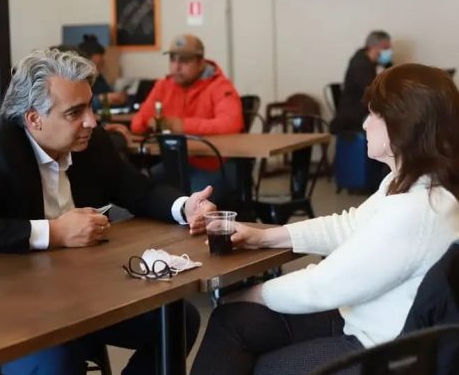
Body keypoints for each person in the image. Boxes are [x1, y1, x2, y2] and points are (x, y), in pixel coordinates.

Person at [0, 48, 216, 375]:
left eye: (90, 106)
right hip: (14, 313)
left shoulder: (92, 145)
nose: (92, 121)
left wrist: (185, 206)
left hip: (81, 300)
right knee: (60, 361)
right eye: (74, 112)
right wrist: (55, 232)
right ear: (34, 118)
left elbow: (140, 190)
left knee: (177, 321)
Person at [191, 64, 459, 375]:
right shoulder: (415, 185)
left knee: (265, 364)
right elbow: (349, 225)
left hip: (380, 348)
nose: (364, 123)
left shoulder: (415, 209)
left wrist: (255, 293)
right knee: (232, 321)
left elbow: (324, 285)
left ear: (399, 126)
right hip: (365, 318)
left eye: (373, 115)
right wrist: (263, 236)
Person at [131, 34, 244, 201]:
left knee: (190, 204)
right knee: (136, 192)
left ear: (200, 63)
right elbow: (137, 124)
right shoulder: (163, 85)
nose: (176, 67)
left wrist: (182, 126)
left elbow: (231, 124)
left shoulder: (219, 85)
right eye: (173, 59)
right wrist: (148, 123)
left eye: (184, 61)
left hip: (214, 165)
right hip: (174, 165)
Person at [330, 30, 392, 134]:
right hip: (355, 116)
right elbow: (374, 91)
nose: (389, 52)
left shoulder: (374, 63)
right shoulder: (360, 65)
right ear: (373, 47)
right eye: (386, 48)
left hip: (365, 111)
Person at [78, 34, 127, 111]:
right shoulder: (78, 78)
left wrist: (117, 97)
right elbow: (78, 104)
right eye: (100, 57)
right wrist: (102, 99)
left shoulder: (98, 76)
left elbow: (108, 93)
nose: (103, 61)